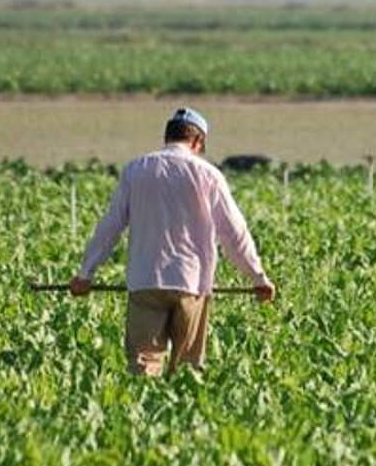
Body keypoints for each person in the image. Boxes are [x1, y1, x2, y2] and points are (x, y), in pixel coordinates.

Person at [70, 108, 275, 376]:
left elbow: (111, 226)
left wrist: (85, 274)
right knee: (186, 374)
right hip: (191, 284)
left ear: (167, 136)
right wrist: (258, 278)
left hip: (145, 282)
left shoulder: (136, 169)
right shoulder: (208, 174)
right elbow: (233, 233)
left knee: (143, 367)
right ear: (197, 142)